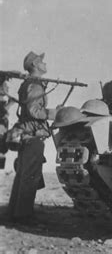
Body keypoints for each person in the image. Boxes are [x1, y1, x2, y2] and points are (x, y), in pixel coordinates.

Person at [6, 51, 57, 223]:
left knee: (23, 174)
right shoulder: (34, 85)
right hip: (32, 135)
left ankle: (15, 212)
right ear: (35, 65)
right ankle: (24, 216)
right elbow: (34, 111)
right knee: (29, 176)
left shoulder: (30, 83)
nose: (44, 63)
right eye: (41, 61)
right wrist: (53, 113)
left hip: (27, 134)